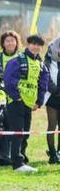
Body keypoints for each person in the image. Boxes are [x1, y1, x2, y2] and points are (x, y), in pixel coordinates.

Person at [3, 35, 49, 172]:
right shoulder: (17, 60)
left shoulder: (41, 65)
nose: (35, 47)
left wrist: (39, 102)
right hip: (16, 102)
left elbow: (43, 84)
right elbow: (8, 79)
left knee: (25, 133)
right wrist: (17, 97)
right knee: (18, 132)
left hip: (29, 104)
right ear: (28, 45)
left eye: (38, 45)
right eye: (33, 44)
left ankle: (22, 160)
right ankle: (17, 164)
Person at [0, 31, 22, 166]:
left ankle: (15, 156)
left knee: (14, 128)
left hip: (16, 98)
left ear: (17, 43)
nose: (10, 43)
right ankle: (0, 157)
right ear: (3, 43)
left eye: (12, 40)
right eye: (7, 41)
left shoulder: (22, 58)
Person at [43, 36, 60, 164]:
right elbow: (46, 79)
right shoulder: (48, 62)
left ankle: (59, 152)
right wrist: (56, 91)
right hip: (52, 97)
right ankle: (52, 153)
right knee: (52, 125)